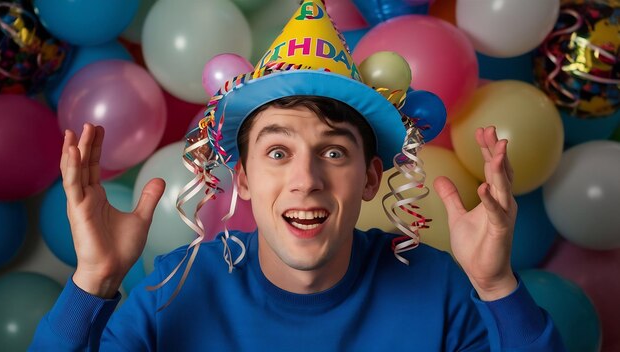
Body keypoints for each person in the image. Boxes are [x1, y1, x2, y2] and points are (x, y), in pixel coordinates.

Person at [31, 1, 565, 351]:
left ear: (372, 178)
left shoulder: (437, 287)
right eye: (279, 153)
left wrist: (497, 287)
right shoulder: (176, 285)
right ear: (242, 180)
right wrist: (92, 283)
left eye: (333, 153)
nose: (306, 179)